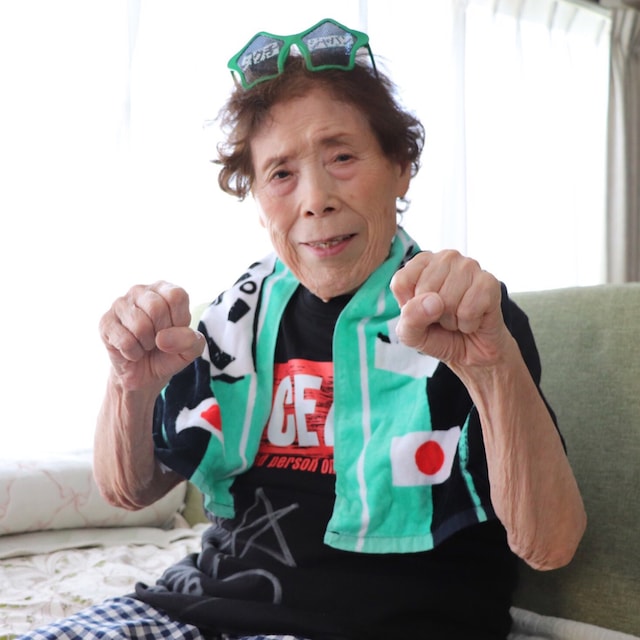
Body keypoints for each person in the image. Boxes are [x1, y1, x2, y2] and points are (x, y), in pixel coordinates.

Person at [21, 17, 586, 640]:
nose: (315, 198)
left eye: (341, 157)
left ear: (400, 167)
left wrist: (492, 368)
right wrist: (128, 383)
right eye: (281, 173)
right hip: (191, 608)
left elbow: (549, 545)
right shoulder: (233, 318)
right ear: (258, 197)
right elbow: (129, 490)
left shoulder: (464, 317)